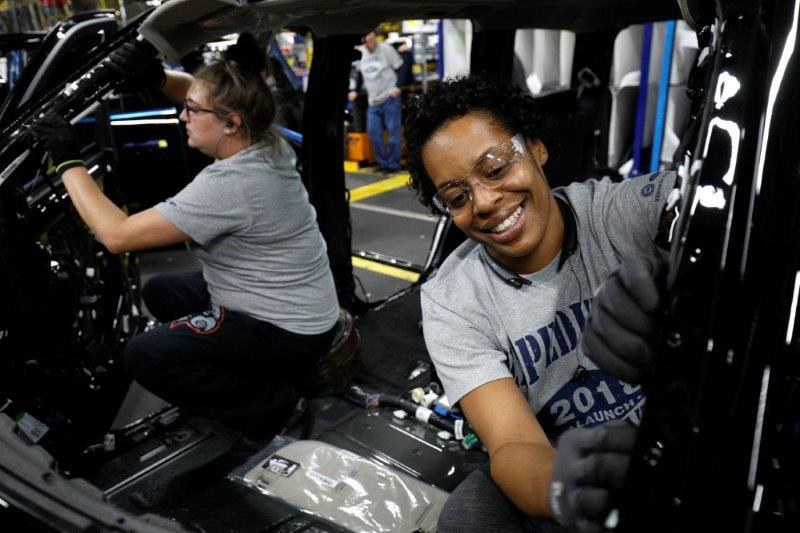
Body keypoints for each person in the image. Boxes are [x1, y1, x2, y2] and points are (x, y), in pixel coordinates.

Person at [30, 34, 341, 440]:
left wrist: (68, 161)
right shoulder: (267, 141)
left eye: (192, 111)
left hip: (287, 330)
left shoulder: (231, 185)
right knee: (161, 292)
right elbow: (214, 97)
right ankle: (231, 367)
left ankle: (273, 407)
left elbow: (116, 235)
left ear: (231, 123)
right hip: (304, 306)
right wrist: (157, 77)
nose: (181, 116)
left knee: (143, 356)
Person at [405, 75, 675, 531]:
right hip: (564, 455)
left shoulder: (617, 214)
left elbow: (715, 210)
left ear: (536, 147)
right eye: (457, 197)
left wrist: (682, 288)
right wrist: (564, 486)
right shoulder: (451, 300)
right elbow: (510, 442)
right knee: (469, 515)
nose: (486, 201)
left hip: (683, 438)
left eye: (494, 169)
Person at [348, 30, 404, 173]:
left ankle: (393, 165)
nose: (371, 44)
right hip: (373, 101)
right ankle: (383, 164)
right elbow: (360, 72)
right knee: (373, 133)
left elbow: (401, 67)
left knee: (393, 134)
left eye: (372, 40)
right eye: (367, 41)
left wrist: (397, 87)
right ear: (363, 41)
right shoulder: (361, 52)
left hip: (390, 98)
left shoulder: (386, 49)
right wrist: (355, 89)